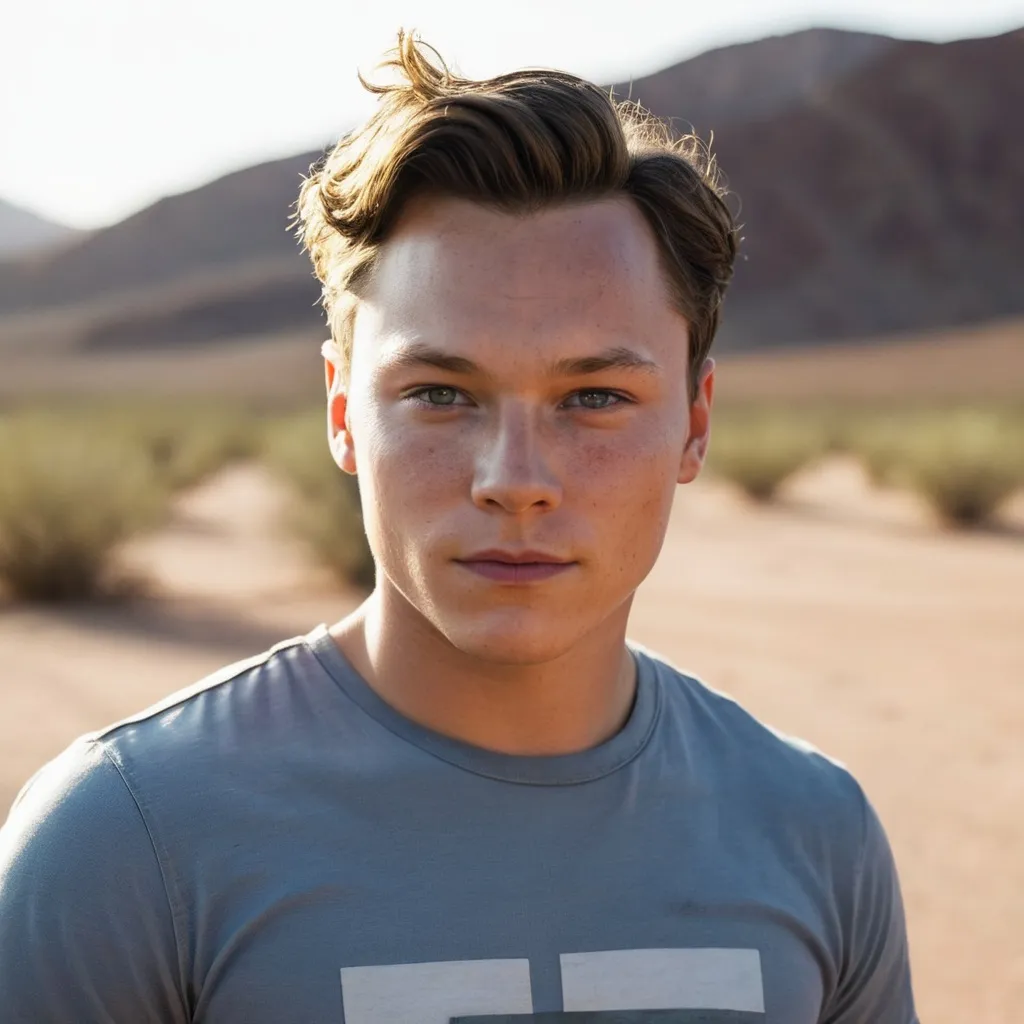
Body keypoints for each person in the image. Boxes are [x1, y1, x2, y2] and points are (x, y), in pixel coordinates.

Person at [0, 30, 917, 1024]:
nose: (513, 479)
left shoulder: (814, 833)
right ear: (343, 412)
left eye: (594, 397)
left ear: (693, 424)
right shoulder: (127, 839)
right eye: (441, 391)